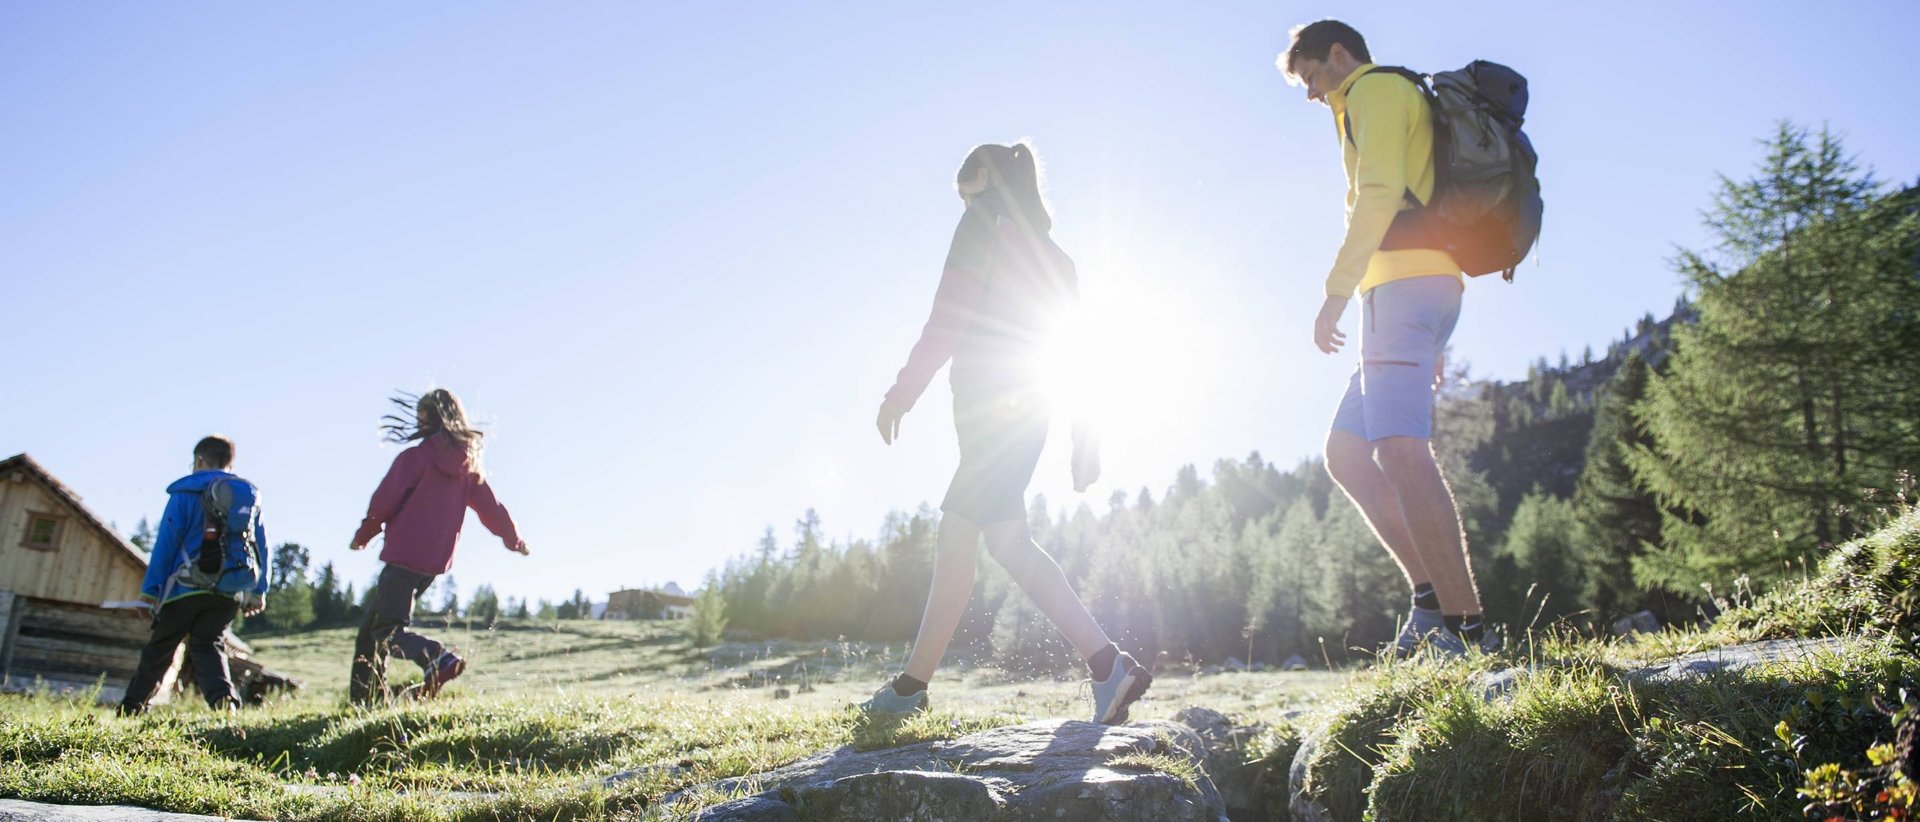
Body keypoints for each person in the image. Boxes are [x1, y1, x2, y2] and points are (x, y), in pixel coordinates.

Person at [863, 142, 1151, 723]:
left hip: (991, 410)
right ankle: (1106, 665)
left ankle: (907, 692)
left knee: (958, 540)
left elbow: (949, 315)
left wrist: (902, 391)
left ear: (985, 176)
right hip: (1029, 412)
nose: (962, 200)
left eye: (963, 188)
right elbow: (1080, 352)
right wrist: (1084, 436)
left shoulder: (981, 222)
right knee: (1007, 544)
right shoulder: (1057, 258)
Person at [1280, 20, 1487, 656]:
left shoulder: (1372, 91)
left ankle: (1467, 630)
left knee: (1400, 451)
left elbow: (1378, 195)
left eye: (1313, 76)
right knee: (1346, 452)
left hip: (1399, 289)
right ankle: (1431, 604)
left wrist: (1334, 294)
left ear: (1339, 54)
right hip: (1417, 292)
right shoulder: (1395, 95)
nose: (1313, 94)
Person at [348, 389, 528, 703]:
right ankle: (367, 699)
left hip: (402, 557)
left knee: (384, 631)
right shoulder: (469, 467)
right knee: (371, 628)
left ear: (428, 418)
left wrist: (364, 535)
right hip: (432, 564)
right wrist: (515, 540)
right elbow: (492, 509)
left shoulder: (415, 458)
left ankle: (437, 657)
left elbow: (384, 501)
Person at [121, 435, 267, 715]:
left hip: (185, 588)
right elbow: (261, 545)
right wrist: (258, 591)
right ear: (230, 462)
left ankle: (132, 708)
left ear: (199, 460)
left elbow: (167, 542)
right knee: (209, 645)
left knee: (161, 648)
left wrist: (150, 592)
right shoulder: (246, 496)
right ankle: (225, 704)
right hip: (229, 591)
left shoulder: (186, 493)